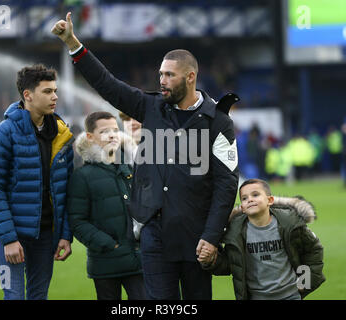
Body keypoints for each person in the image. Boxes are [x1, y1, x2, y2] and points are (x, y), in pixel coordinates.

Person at [52, 13, 239, 300]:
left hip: (196, 236)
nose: (161, 80)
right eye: (161, 74)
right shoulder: (151, 107)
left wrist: (212, 237)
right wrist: (73, 44)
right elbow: (108, 85)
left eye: (169, 75)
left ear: (190, 77)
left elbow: (227, 185)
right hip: (155, 236)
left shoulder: (218, 122)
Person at [0, 64, 74, 300]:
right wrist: (9, 239)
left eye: (55, 91)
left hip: (46, 235)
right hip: (11, 237)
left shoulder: (62, 134)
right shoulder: (2, 135)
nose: (54, 97)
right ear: (27, 95)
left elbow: (67, 188)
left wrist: (65, 234)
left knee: (39, 297)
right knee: (13, 296)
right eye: (47, 91)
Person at [198, 178, 325, 300]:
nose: (250, 200)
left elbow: (313, 251)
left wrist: (306, 282)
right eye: (244, 198)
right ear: (242, 207)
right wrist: (211, 260)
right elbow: (231, 265)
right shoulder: (235, 233)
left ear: (270, 200)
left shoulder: (290, 224)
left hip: (290, 295)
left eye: (255, 195)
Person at [67, 111, 145, 300]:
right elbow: (77, 221)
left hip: (138, 261)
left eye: (115, 130)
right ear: (90, 137)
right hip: (106, 263)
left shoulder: (127, 169)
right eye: (104, 132)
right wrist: (110, 245)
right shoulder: (82, 177)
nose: (112, 135)